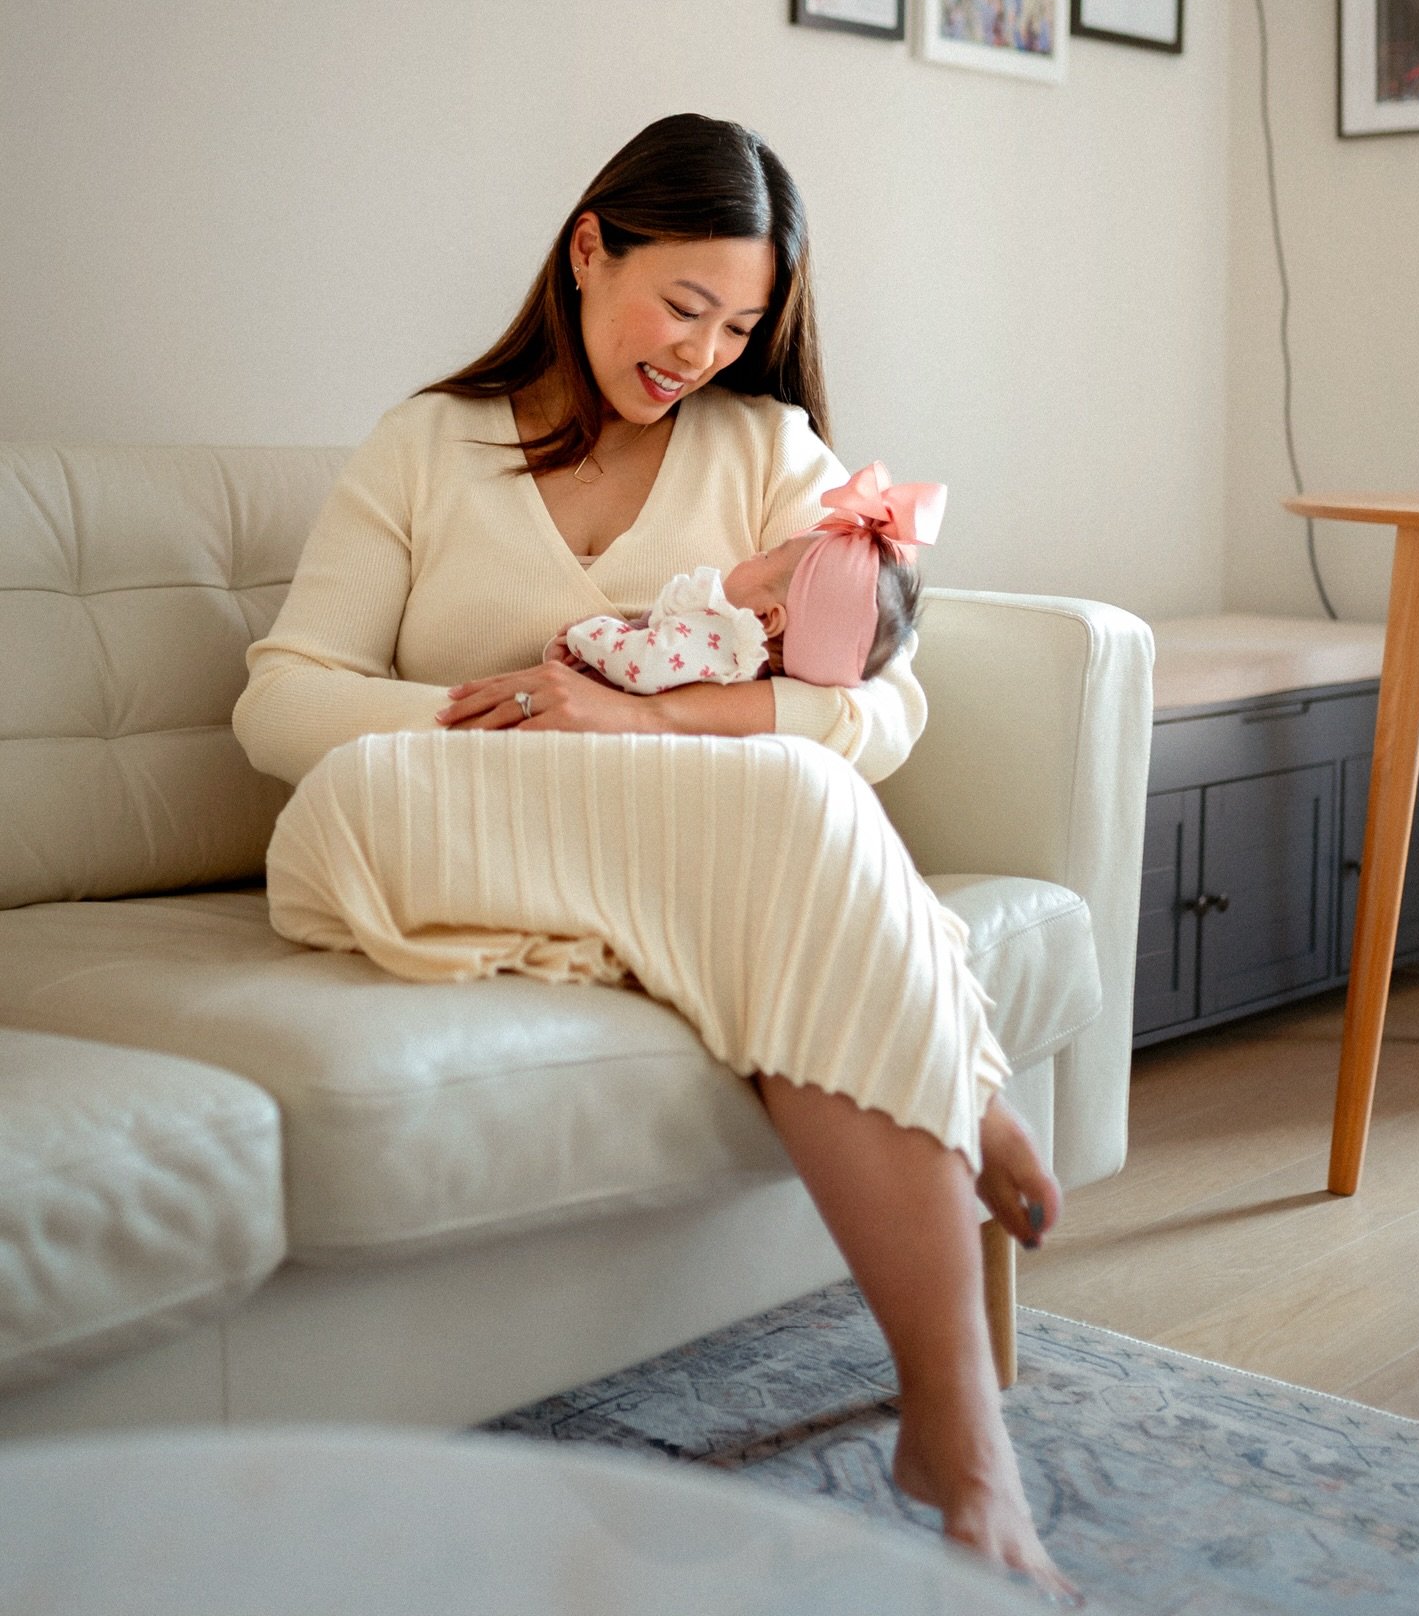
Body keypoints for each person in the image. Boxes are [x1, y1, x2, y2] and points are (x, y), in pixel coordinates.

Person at [232, 113, 1077, 1604]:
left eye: (739, 326)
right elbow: (283, 699)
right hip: (418, 821)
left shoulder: (764, 450)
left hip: (666, 853)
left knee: (796, 795)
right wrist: (508, 719)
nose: (701, 352)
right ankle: (960, 1066)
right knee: (785, 802)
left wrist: (641, 717)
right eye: (683, 305)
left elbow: (881, 707)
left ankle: (960, 1435)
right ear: (589, 249)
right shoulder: (427, 444)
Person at [548, 462, 942, 697]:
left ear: (767, 617)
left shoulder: (716, 644)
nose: (756, 553)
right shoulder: (739, 662)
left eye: (768, 556)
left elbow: (642, 660)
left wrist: (587, 635)